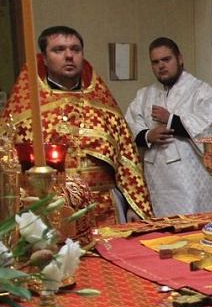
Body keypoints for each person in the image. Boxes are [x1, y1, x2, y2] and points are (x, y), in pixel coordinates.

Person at [3, 25, 153, 225]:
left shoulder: (103, 105)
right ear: (44, 58)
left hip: (105, 206)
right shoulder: (27, 109)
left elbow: (127, 158)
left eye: (75, 49)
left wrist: (134, 205)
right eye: (59, 50)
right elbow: (10, 166)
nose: (69, 56)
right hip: (50, 209)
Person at [125, 37, 212, 217]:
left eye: (166, 59)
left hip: (191, 182)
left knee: (192, 226)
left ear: (180, 59)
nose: (161, 66)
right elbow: (128, 127)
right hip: (156, 180)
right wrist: (148, 135)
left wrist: (171, 120)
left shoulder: (201, 91)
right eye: (155, 62)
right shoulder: (144, 95)